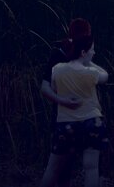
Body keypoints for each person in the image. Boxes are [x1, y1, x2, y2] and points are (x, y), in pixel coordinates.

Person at [39, 31, 109, 187]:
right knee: (91, 168)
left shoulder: (57, 69)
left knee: (52, 167)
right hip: (92, 122)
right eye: (91, 50)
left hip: (65, 123)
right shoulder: (91, 73)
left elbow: (53, 87)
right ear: (83, 52)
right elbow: (105, 76)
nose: (94, 52)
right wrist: (88, 62)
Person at [37, 19, 90, 187]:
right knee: (57, 168)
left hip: (67, 120)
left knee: (60, 169)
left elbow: (46, 87)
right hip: (67, 120)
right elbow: (45, 88)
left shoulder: (69, 55)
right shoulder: (64, 56)